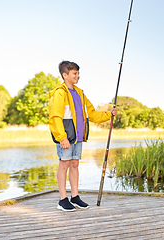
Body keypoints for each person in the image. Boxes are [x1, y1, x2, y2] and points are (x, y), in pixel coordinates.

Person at [49, 61, 116, 211]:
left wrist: (108, 114)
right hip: (66, 137)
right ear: (65, 75)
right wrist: (62, 137)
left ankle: (75, 196)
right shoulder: (60, 93)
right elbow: (55, 117)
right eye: (74, 73)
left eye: (78, 73)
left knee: (74, 165)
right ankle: (62, 199)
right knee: (64, 165)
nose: (78, 76)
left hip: (78, 136)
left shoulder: (80, 93)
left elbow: (91, 114)